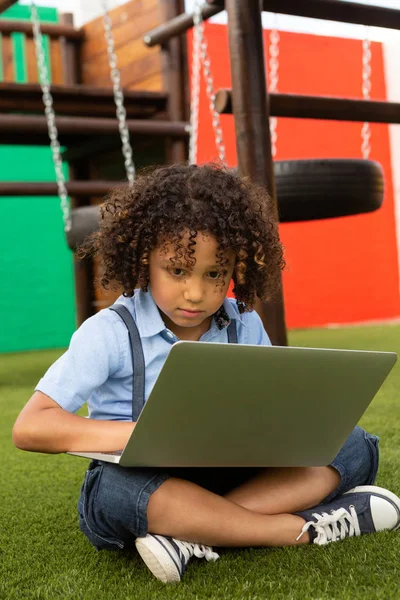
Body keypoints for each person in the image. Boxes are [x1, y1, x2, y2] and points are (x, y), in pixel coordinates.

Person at [13, 164, 400, 584]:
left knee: (354, 444)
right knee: (113, 493)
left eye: (215, 274)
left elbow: (270, 408)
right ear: (145, 259)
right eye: (177, 271)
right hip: (150, 483)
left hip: (232, 473)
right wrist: (143, 434)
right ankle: (293, 530)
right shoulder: (109, 332)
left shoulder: (244, 323)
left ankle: (192, 536)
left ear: (236, 267)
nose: (196, 293)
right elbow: (32, 427)